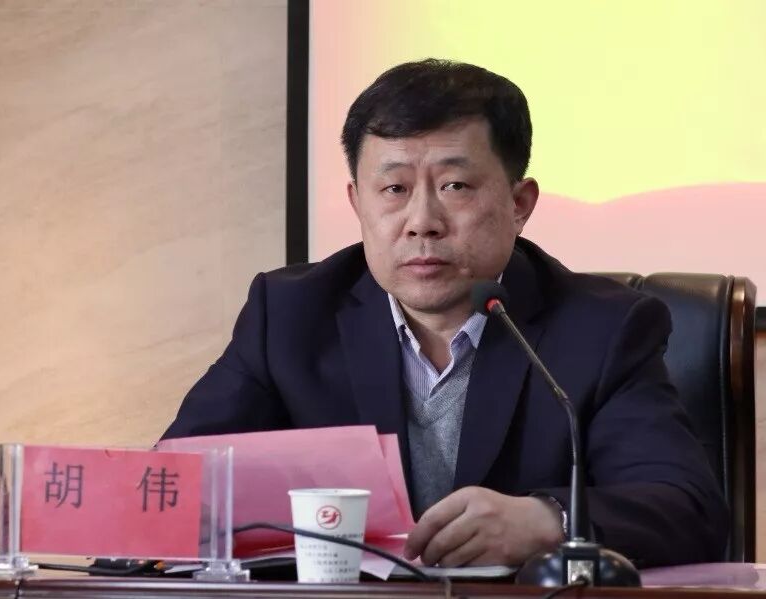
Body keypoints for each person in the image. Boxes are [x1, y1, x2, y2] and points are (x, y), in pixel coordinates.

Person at [162, 59, 728, 568]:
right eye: (394, 189)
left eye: (455, 186)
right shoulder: (290, 315)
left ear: (519, 203)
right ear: (358, 202)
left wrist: (548, 521)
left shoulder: (601, 330)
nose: (422, 222)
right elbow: (173, 488)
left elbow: (688, 509)